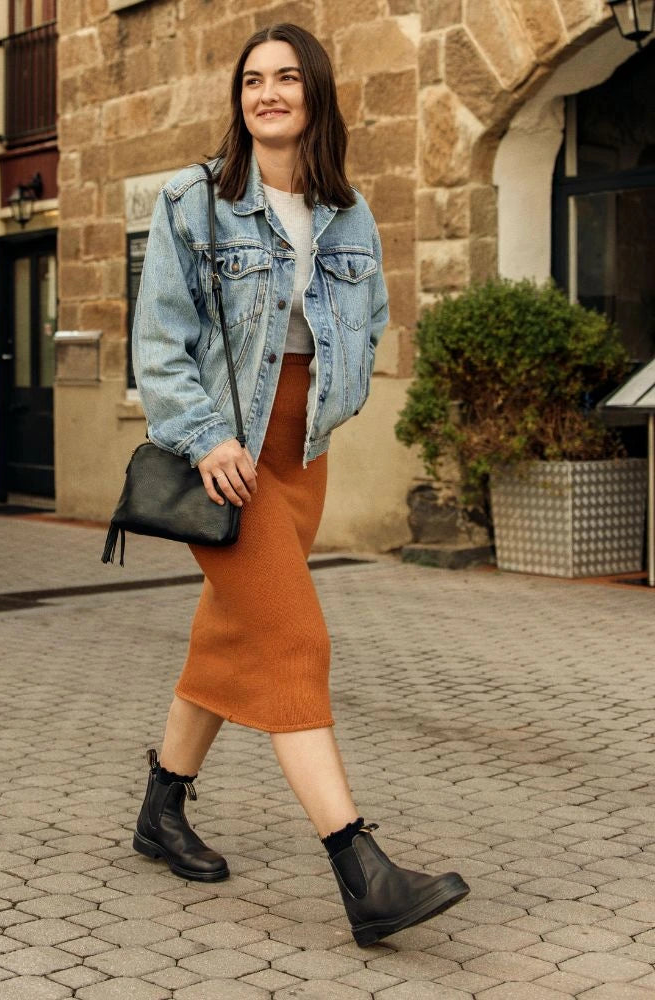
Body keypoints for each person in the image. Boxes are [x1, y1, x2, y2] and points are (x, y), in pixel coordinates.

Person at [130, 23, 469, 947]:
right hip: (225, 456)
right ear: (238, 100)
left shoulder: (347, 211)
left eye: (286, 77)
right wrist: (205, 438)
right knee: (293, 640)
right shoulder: (192, 201)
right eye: (252, 80)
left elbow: (372, 318)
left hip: (302, 450)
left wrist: (329, 410)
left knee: (236, 629)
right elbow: (159, 342)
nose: (268, 92)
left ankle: (162, 810)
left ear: (314, 93)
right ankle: (361, 871)